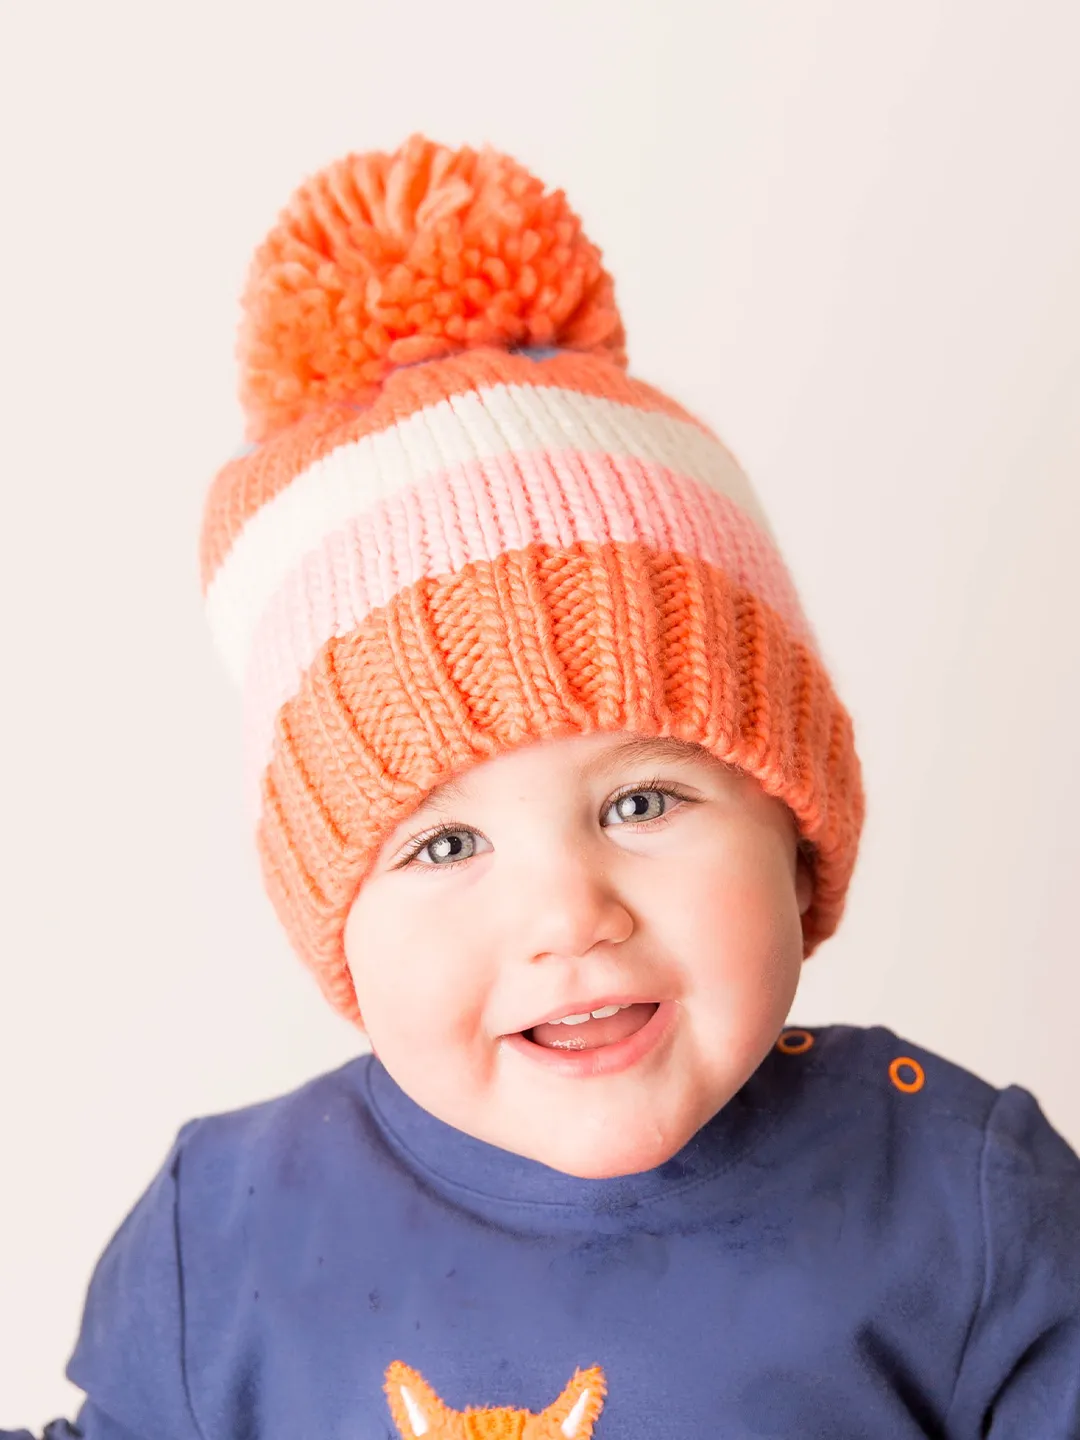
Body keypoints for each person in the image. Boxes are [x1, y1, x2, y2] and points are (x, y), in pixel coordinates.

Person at [6, 132, 1078, 1440]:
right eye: (446, 844)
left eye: (642, 803)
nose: (568, 915)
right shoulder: (227, 1244)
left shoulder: (955, 1201)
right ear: (333, 923)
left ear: (795, 836)